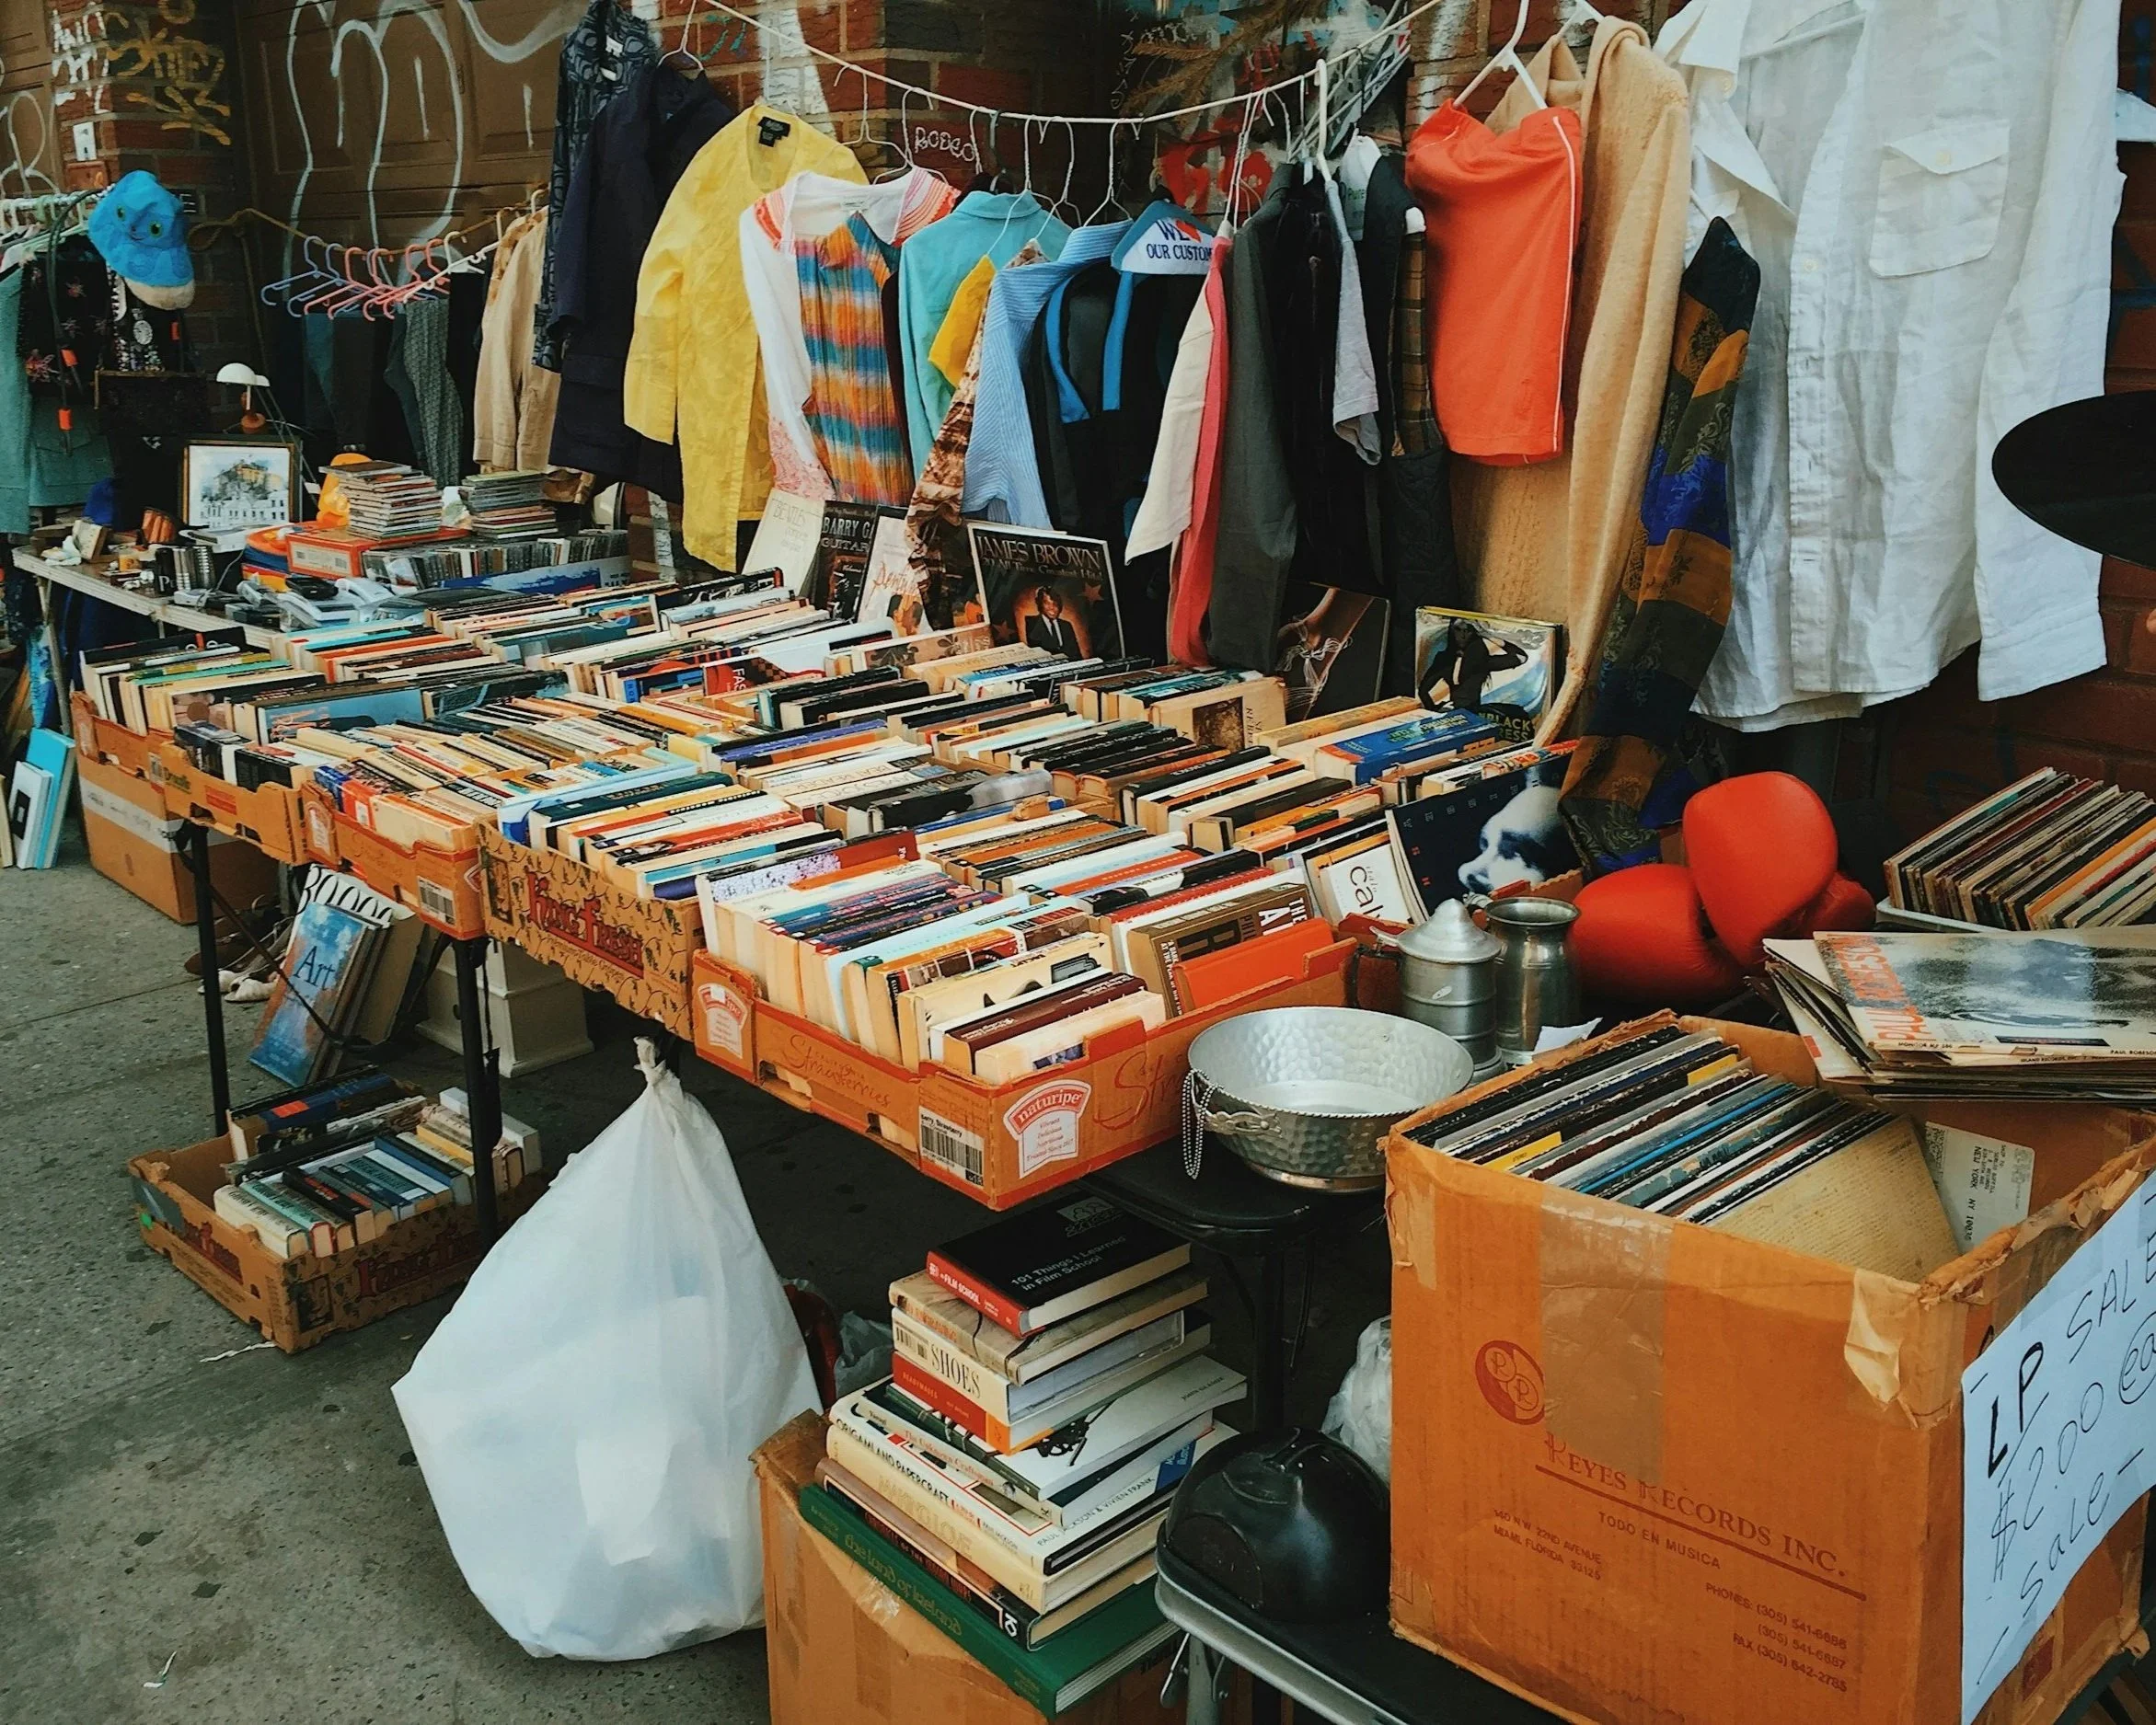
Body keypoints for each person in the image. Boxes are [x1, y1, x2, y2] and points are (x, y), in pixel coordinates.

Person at [1424, 617, 1530, 714]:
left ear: (1474, 633)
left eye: (1468, 631)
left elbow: (1520, 657)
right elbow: (1423, 690)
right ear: (1451, 631)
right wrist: (1434, 709)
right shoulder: (1444, 659)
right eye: (1458, 630)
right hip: (1450, 713)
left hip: (1473, 713)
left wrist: (1487, 635)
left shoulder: (1481, 662)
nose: (1463, 635)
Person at [1023, 586, 1083, 656]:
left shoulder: (1066, 625)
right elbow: (1036, 652)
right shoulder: (1032, 623)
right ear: (1040, 604)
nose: (1052, 608)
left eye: (1055, 604)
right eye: (1047, 603)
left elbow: (1076, 654)